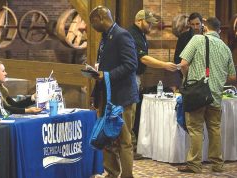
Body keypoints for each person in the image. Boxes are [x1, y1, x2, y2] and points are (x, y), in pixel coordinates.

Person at [178, 17, 236, 173]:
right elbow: (232, 76)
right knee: (215, 129)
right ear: (219, 30)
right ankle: (217, 164)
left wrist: (187, 79)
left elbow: (183, 64)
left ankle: (194, 165)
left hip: (197, 93)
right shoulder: (225, 47)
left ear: (205, 28)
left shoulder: (197, 39)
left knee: (196, 129)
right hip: (216, 94)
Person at [89, 6, 138, 178]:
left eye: (92, 22)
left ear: (101, 18)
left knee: (124, 141)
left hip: (123, 97)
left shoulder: (121, 35)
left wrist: (106, 75)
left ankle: (127, 175)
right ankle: (111, 172)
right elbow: (103, 68)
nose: (92, 26)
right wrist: (96, 91)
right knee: (107, 137)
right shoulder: (104, 38)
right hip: (107, 96)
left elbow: (131, 65)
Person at [127, 9, 177, 159]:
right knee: (130, 113)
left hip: (136, 77)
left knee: (133, 113)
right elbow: (143, 59)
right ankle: (129, 147)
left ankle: (131, 145)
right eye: (148, 23)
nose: (150, 26)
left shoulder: (140, 34)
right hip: (131, 77)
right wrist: (164, 65)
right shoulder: (133, 34)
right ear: (139, 20)